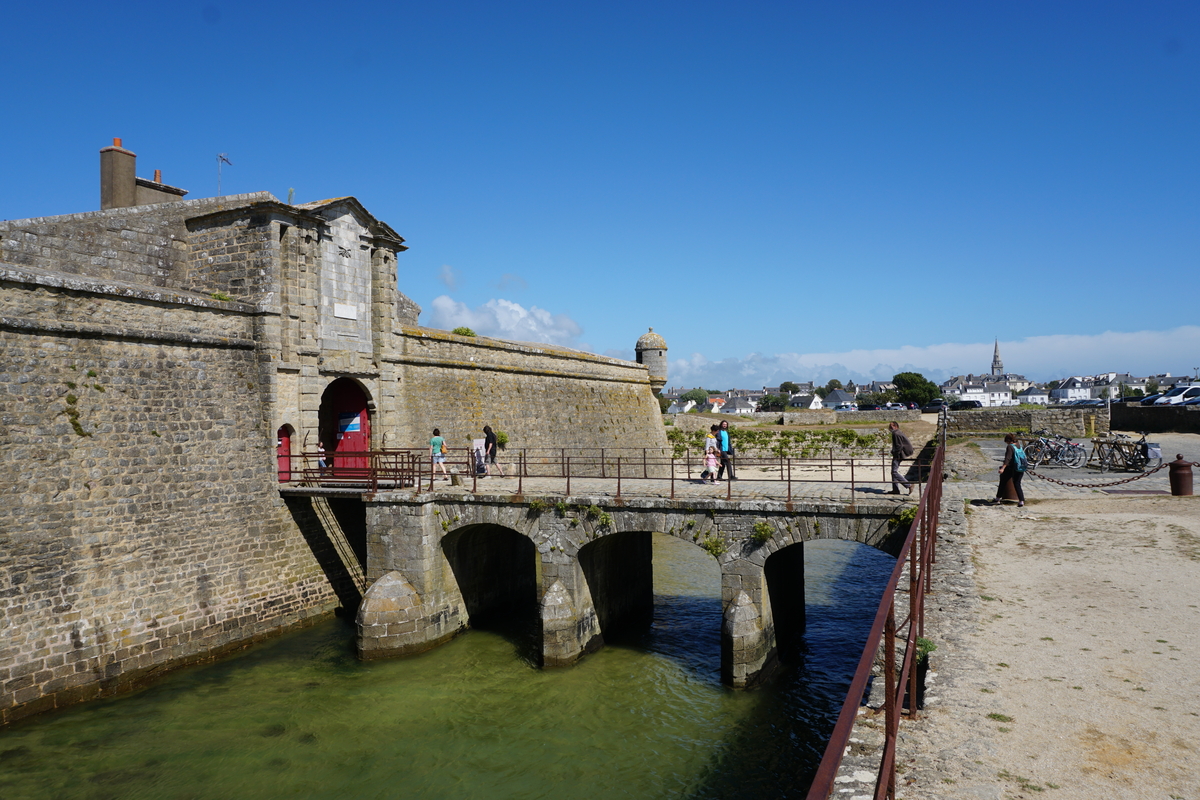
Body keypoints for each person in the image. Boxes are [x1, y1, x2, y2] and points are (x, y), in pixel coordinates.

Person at [995, 432, 1026, 507]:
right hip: (1020, 467)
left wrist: (1003, 468)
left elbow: (1007, 458)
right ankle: (1021, 500)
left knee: (1003, 482)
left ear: (1008, 441)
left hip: (1011, 468)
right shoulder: (1019, 445)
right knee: (1017, 483)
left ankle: (998, 498)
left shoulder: (1010, 447)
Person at [889, 421, 913, 495]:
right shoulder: (898, 432)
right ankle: (895, 489)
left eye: (891, 426)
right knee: (893, 471)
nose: (890, 428)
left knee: (894, 472)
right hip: (899, 454)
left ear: (895, 426)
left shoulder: (895, 433)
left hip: (898, 455)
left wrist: (894, 452)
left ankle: (908, 485)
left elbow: (899, 446)